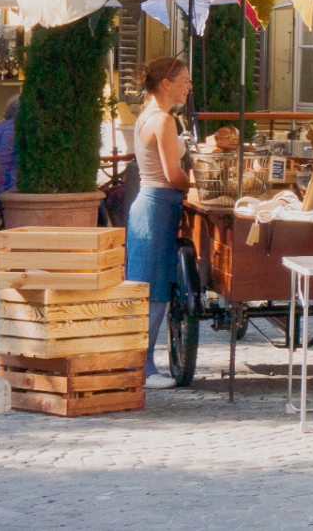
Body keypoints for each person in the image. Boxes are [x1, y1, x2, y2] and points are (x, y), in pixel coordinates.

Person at [125, 58, 193, 391]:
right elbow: (173, 175)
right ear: (166, 83)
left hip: (150, 205)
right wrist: (193, 185)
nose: (189, 86)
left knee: (150, 288)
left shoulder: (148, 115)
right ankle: (143, 368)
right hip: (157, 206)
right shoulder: (164, 120)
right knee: (153, 291)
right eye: (184, 80)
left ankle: (142, 363)